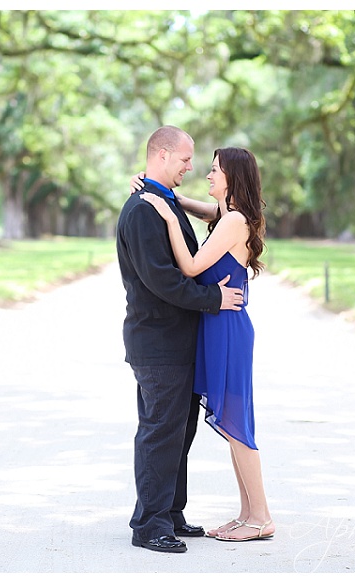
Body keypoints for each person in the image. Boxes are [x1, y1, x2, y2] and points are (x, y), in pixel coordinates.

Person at [116, 126, 245, 554]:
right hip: (158, 343)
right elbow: (163, 282)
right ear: (163, 155)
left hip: (179, 342)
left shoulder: (165, 202)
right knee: (160, 432)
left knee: (180, 432)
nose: (192, 168)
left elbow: (214, 215)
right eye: (186, 159)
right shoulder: (141, 211)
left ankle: (170, 512)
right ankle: (148, 524)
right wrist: (214, 299)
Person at [136, 146, 275, 542]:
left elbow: (192, 267)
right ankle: (248, 513)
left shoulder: (232, 222)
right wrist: (161, 191)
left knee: (238, 425)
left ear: (233, 177)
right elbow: (199, 207)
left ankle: (261, 516)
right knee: (232, 424)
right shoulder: (228, 217)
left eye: (214, 170)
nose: (206, 174)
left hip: (228, 329)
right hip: (220, 328)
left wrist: (165, 214)